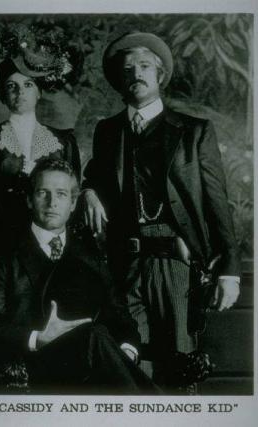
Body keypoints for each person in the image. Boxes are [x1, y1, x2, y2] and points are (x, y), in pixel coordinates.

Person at [82, 32, 240, 393]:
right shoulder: (107, 131)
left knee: (180, 365)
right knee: (130, 362)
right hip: (125, 265)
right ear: (119, 80)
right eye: (128, 69)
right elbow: (94, 175)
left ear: (160, 75)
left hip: (178, 265)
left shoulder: (194, 132)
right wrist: (88, 193)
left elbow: (217, 201)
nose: (135, 73)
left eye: (144, 66)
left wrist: (230, 269)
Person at [0, 159, 159, 394]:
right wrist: (36, 338)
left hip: (95, 370)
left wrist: (127, 351)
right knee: (94, 336)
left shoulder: (91, 255)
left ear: (73, 204)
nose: (52, 203)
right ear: (29, 200)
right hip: (31, 368)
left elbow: (121, 319)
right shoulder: (1, 254)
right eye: (43, 193)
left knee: (97, 338)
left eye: (61, 194)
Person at [0, 24, 81, 269]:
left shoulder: (63, 142)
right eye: (11, 86)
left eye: (27, 85)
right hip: (0, 250)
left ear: (39, 93)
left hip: (49, 248)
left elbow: (72, 201)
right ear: (2, 95)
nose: (20, 93)